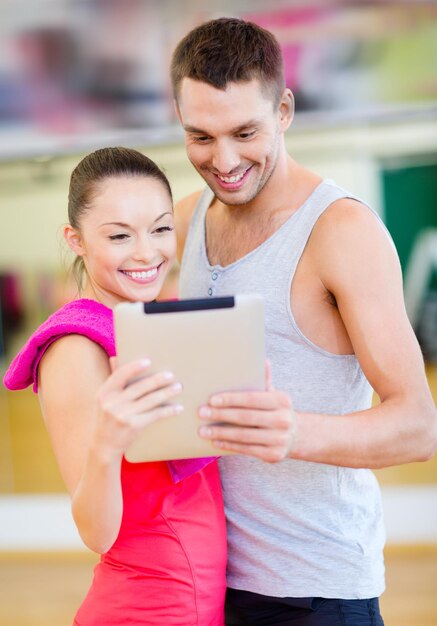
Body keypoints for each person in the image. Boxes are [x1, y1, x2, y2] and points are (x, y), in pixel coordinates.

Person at [170, 17, 437, 626]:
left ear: (284, 109)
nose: (225, 160)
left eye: (245, 131)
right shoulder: (185, 219)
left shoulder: (342, 231)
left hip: (316, 589)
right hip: (207, 578)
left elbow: (419, 427)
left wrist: (294, 433)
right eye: (200, 138)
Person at [3, 147, 227, 626]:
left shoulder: (143, 328)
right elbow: (95, 532)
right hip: (146, 610)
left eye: (161, 228)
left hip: (198, 600)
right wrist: (107, 441)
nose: (147, 252)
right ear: (76, 240)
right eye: (120, 235)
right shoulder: (75, 347)